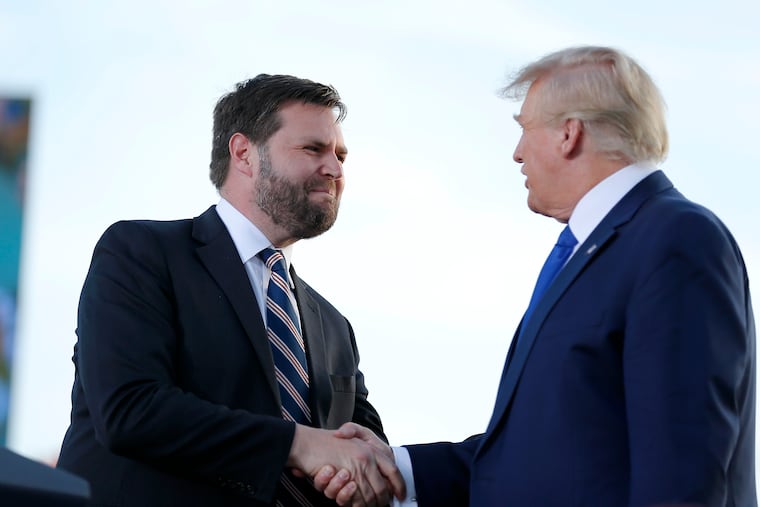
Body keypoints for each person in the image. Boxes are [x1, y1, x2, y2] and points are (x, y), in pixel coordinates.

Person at [320, 46, 757, 506]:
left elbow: (683, 468)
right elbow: (542, 457)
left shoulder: (675, 238)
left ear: (569, 134)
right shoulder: (595, 249)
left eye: (525, 129)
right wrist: (396, 467)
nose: (517, 153)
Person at [57, 74, 405, 507]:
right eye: (313, 149)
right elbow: (130, 410)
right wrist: (300, 443)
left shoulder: (335, 327)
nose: (334, 169)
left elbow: (363, 451)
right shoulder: (141, 253)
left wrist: (360, 469)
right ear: (244, 153)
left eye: (340, 155)